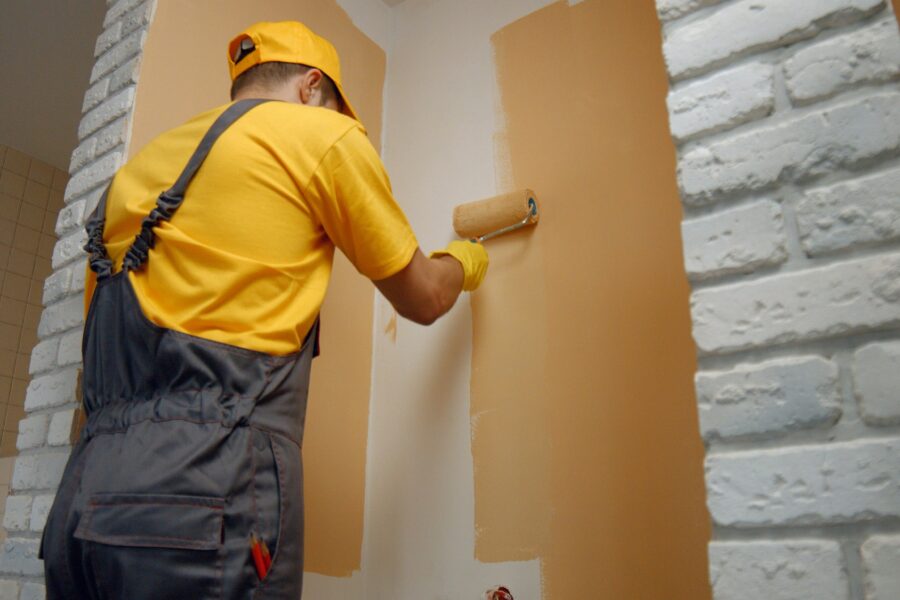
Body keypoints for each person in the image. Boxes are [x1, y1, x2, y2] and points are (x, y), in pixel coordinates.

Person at [40, 20, 488, 600]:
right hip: (201, 495)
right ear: (310, 86)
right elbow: (424, 297)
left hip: (80, 503)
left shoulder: (141, 172)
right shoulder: (317, 136)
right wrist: (465, 259)